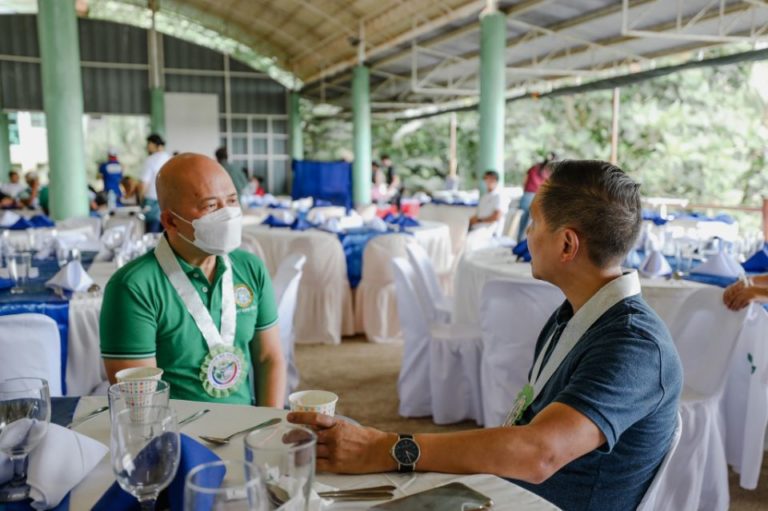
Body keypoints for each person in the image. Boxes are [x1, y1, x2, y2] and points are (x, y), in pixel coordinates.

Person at [288, 160, 683, 511]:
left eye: (534, 223)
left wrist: (386, 447)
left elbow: (538, 454)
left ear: (567, 243)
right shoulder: (574, 314)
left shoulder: (635, 347)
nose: (527, 235)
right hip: (507, 489)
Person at [100, 153, 285, 406]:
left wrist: (269, 427)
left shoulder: (250, 267)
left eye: (231, 201)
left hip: (247, 431)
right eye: (211, 206)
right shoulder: (133, 287)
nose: (228, 214)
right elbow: (142, 405)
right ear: (170, 220)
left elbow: (268, 358)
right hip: (177, 439)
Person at [518, 152, 557, 241]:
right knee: (535, 223)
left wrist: (525, 191)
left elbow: (525, 180)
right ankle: (529, 246)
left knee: (523, 222)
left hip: (527, 195)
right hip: (538, 197)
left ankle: (519, 243)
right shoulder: (550, 172)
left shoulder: (535, 167)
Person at [140, 133, 171, 233]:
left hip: (152, 200)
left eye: (148, 144)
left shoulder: (150, 160)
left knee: (152, 233)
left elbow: (144, 183)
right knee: (167, 232)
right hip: (168, 200)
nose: (147, 147)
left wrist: (141, 199)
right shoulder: (170, 158)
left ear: (154, 144)